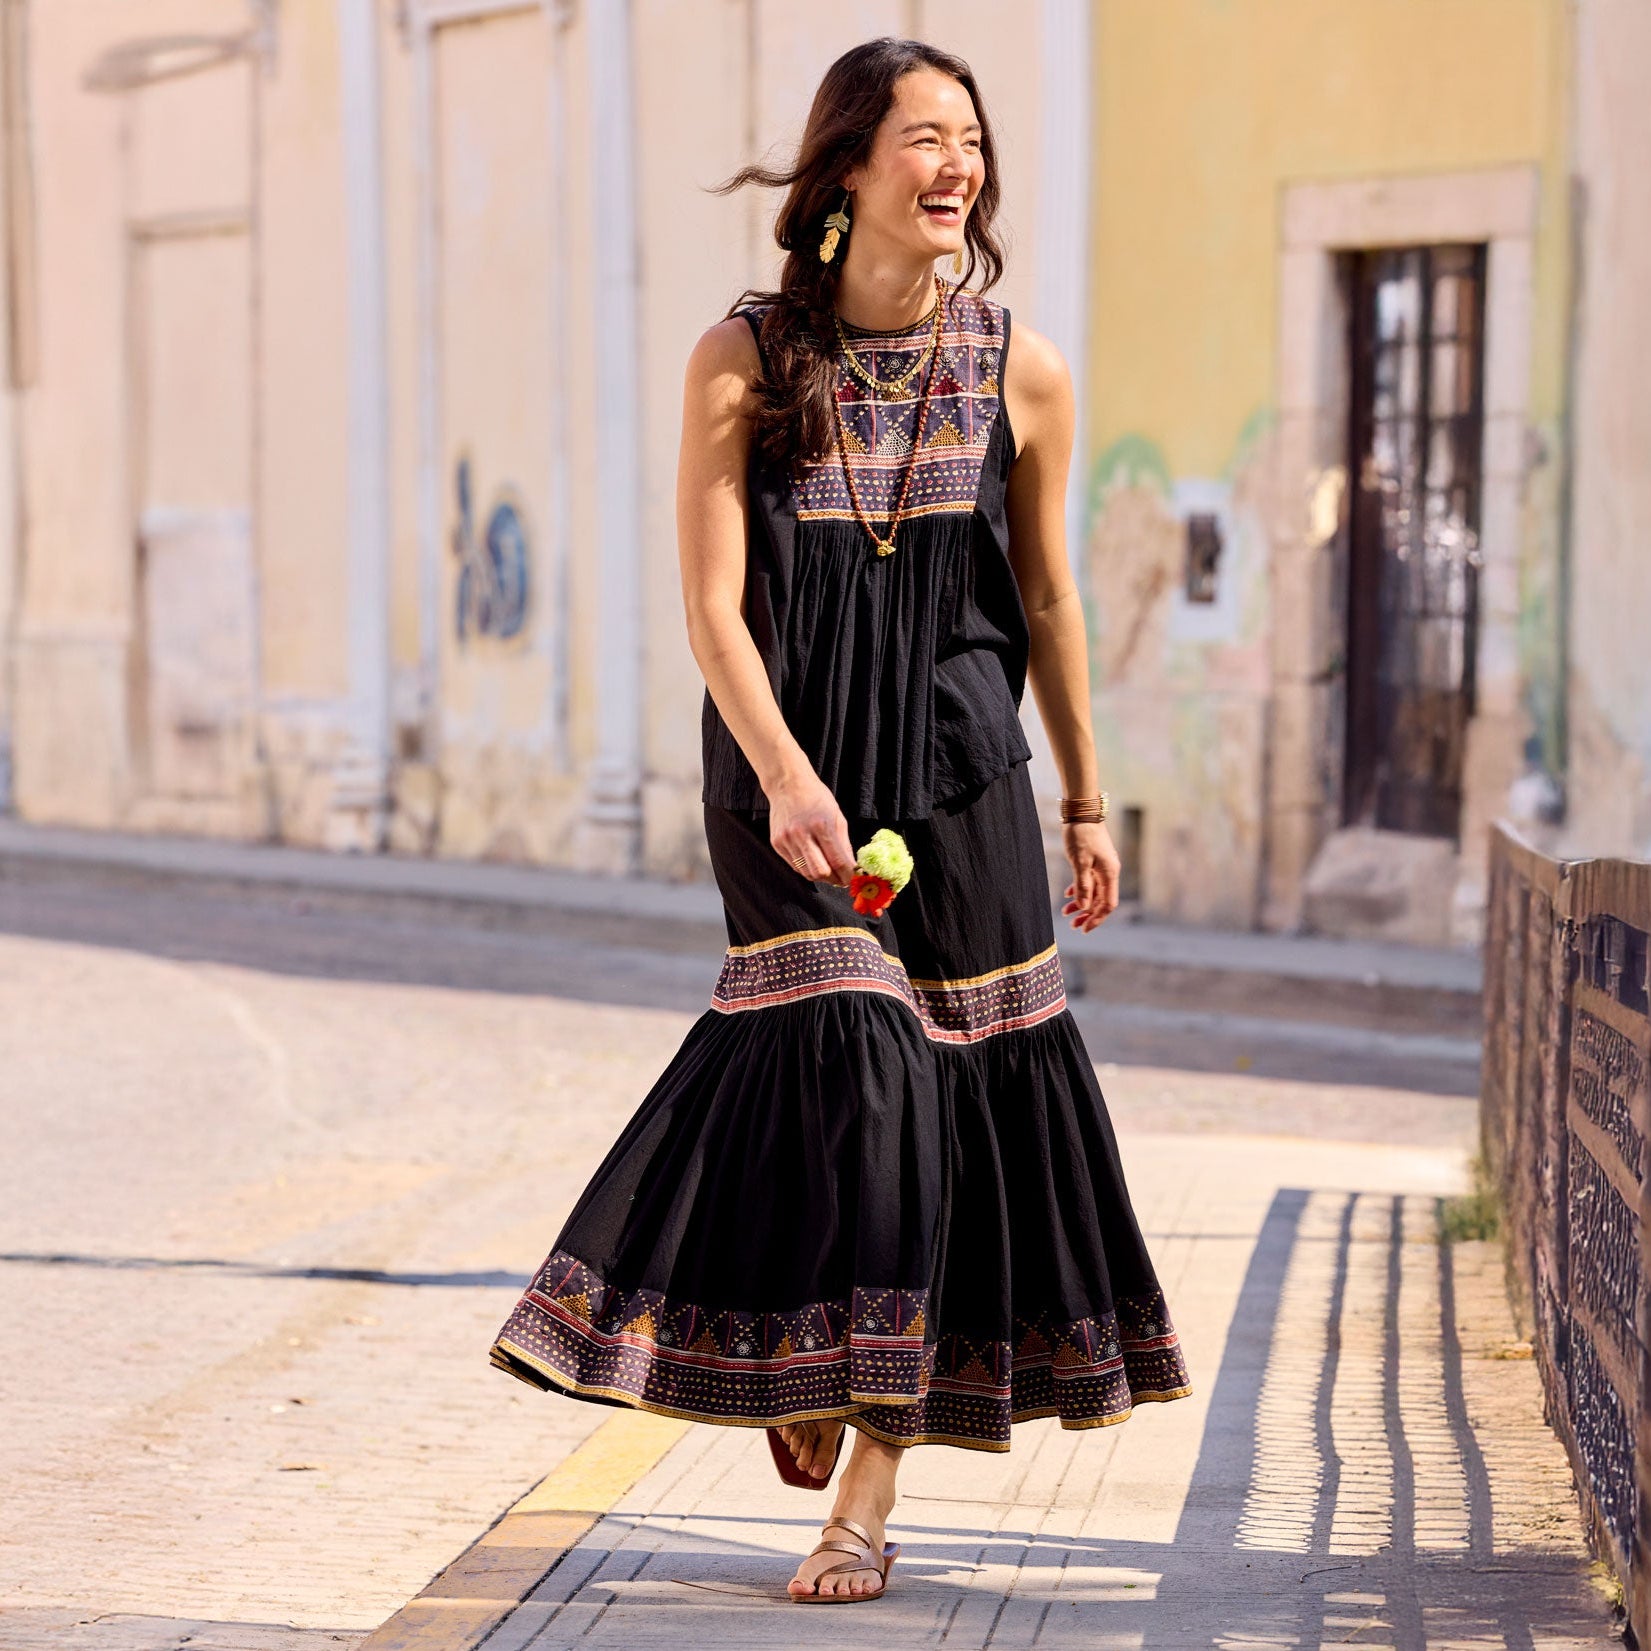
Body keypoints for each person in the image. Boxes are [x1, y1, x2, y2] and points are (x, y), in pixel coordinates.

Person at [490, 35, 1192, 1604]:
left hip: (963, 778)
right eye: (926, 136)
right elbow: (711, 606)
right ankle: (813, 1340)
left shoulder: (1021, 366)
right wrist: (789, 775)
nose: (959, 164)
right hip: (784, 773)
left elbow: (1051, 600)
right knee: (860, 1066)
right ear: (850, 167)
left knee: (956, 1105)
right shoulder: (741, 357)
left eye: (971, 139)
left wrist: (1085, 798)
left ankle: (866, 1488)